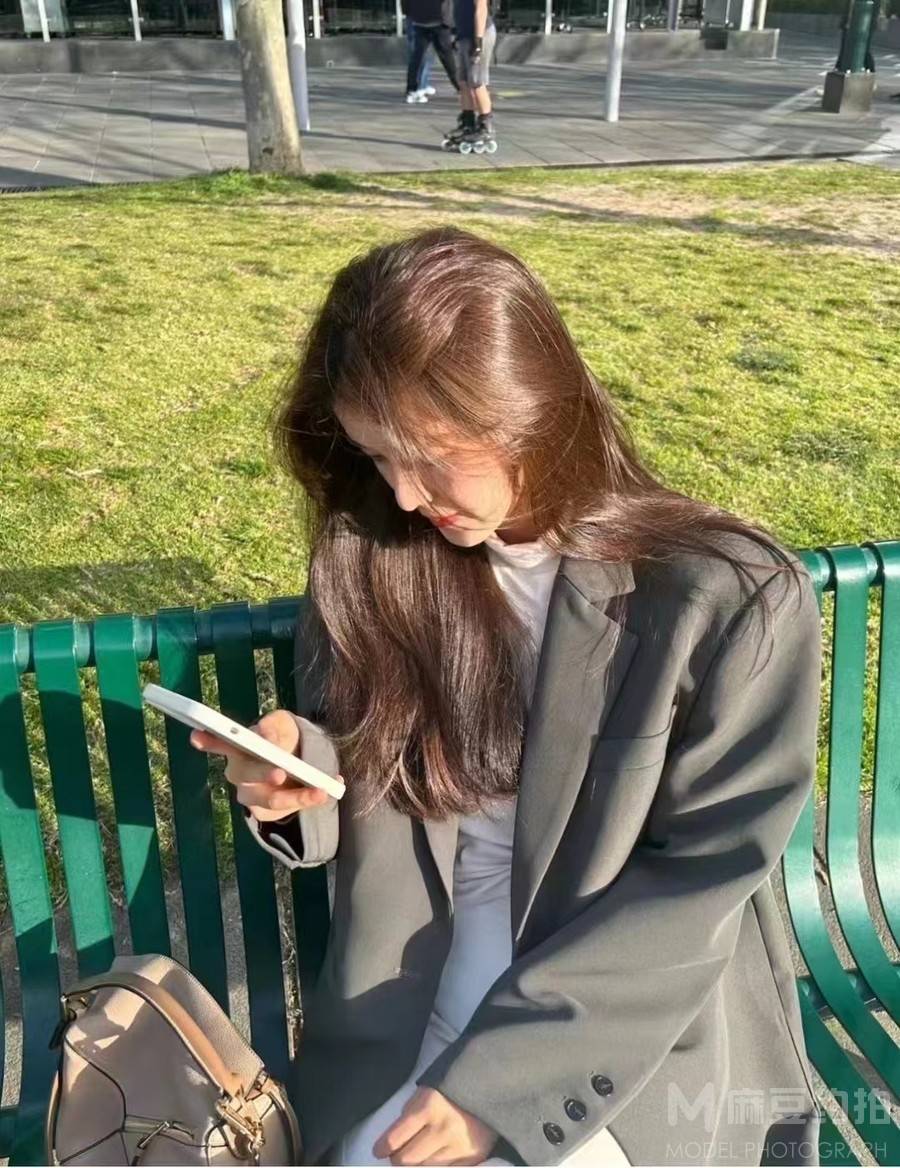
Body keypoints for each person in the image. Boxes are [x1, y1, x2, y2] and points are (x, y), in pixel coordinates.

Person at [191, 227, 823, 1167]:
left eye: (432, 455)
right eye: (378, 456)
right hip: (411, 1013)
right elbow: (373, 767)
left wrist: (503, 1085)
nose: (408, 495)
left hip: (609, 1035)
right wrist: (299, 774)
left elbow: (700, 878)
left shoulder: (725, 598)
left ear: (526, 408)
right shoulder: (379, 562)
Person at [444, 0, 497, 151]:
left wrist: (478, 42)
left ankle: (486, 127)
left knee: (477, 82)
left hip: (479, 34)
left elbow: (481, 8)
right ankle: (468, 123)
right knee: (463, 82)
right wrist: (456, 33)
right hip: (464, 35)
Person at [402, 0, 460, 105]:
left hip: (420, 19)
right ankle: (461, 88)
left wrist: (409, 12)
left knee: (417, 57)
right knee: (447, 58)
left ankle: (412, 90)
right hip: (438, 19)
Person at [406, 7, 436, 101]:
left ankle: (420, 85)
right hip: (425, 16)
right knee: (422, 53)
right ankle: (419, 87)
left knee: (418, 52)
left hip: (416, 14)